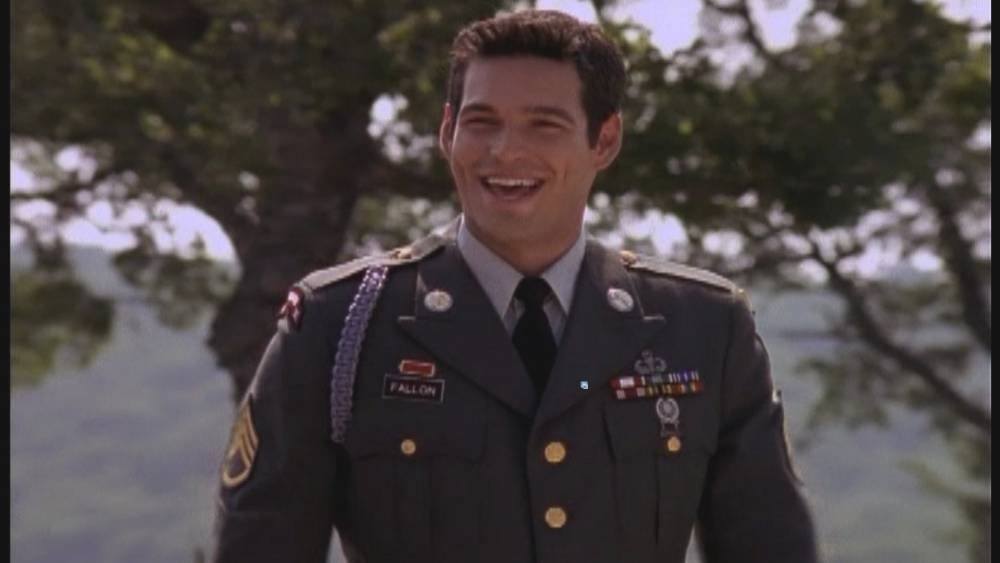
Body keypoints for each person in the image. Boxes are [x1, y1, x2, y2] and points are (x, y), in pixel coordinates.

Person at [211, 9, 819, 563]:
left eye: (544, 125)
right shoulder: (342, 326)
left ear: (604, 140)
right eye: (482, 122)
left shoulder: (702, 327)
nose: (505, 152)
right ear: (447, 131)